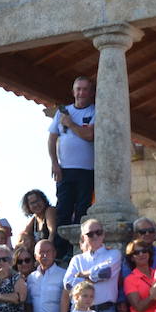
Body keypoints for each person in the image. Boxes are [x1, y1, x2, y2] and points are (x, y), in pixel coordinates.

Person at [49, 76, 96, 229]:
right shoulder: (62, 112)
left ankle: (78, 245)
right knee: (63, 210)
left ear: (91, 93)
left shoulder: (95, 110)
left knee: (83, 210)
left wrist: (71, 123)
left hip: (87, 170)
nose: (81, 93)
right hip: (65, 170)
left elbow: (90, 136)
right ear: (73, 92)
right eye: (78, 89)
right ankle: (61, 249)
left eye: (85, 89)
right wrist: (55, 164)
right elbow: (51, 139)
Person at [18, 189, 68, 259]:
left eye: (38, 201)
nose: (36, 204)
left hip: (56, 253)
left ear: (43, 200)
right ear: (28, 207)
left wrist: (46, 253)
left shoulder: (49, 211)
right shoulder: (35, 219)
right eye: (32, 203)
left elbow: (52, 232)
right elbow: (23, 234)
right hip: (42, 256)